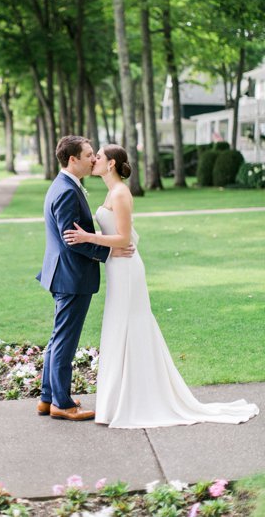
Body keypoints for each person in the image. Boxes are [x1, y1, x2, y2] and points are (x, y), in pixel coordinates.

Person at [63, 145, 259, 428]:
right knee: (119, 326)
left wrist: (87, 238)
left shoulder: (121, 193)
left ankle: (138, 399)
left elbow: (124, 240)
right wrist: (92, 236)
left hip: (127, 269)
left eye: (99, 157)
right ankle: (117, 400)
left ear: (111, 164)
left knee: (131, 325)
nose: (94, 159)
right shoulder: (110, 191)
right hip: (117, 268)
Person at [35, 136, 133, 421]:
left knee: (57, 338)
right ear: (73, 159)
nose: (93, 159)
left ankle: (47, 397)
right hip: (71, 276)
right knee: (65, 340)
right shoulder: (66, 191)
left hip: (64, 273)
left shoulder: (64, 184)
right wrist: (109, 251)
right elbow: (72, 241)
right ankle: (62, 403)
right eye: (89, 154)